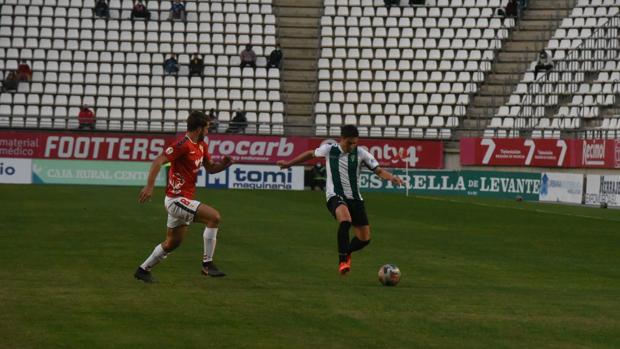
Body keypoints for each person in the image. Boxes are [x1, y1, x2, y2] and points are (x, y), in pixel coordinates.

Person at [277, 125, 404, 275]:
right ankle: (343, 261)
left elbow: (379, 170)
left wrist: (392, 178)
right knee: (345, 220)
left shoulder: (361, 153)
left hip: (355, 199)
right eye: (349, 143)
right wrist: (289, 164)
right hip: (335, 196)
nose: (352, 146)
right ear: (342, 139)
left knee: (364, 239)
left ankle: (347, 251)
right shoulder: (329, 149)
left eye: (355, 143)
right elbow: (310, 154)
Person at [135, 111, 234, 283]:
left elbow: (210, 168)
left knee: (172, 243)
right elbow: (158, 160)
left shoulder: (202, 146)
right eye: (207, 128)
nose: (208, 131)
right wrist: (149, 186)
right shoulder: (183, 145)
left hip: (183, 200)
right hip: (176, 199)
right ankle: (207, 264)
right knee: (214, 217)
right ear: (198, 129)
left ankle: (143, 270)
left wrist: (224, 165)